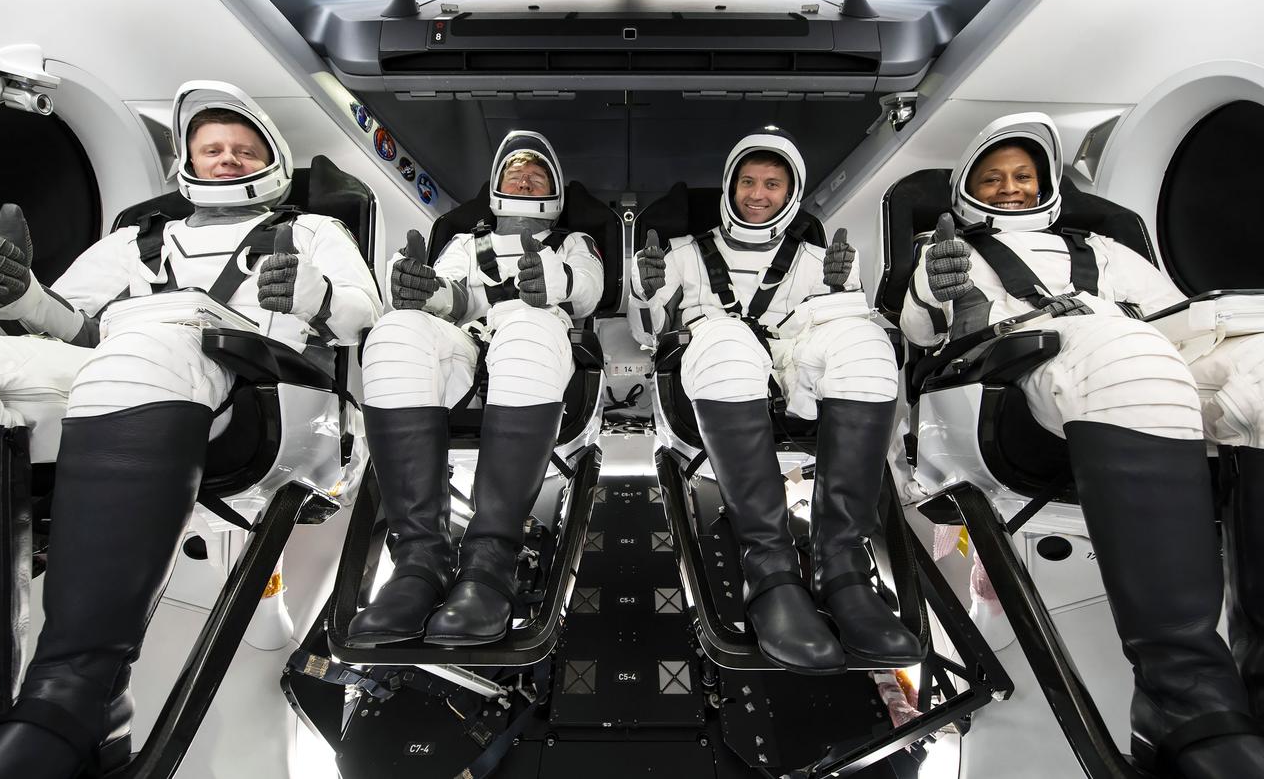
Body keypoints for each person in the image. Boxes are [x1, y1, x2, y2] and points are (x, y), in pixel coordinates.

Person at [0, 81, 381, 779]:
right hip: (128, 370)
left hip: (269, 395)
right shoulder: (132, 241)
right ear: (186, 162)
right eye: (211, 147)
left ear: (272, 158)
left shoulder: (316, 230)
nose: (226, 158)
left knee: (151, 346)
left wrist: (314, 295)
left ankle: (77, 700)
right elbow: (74, 326)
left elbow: (365, 318)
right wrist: (25, 298)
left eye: (242, 148)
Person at [900, 112, 1264, 778]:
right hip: (1003, 391)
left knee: (1259, 373)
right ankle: (1181, 702)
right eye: (993, 177)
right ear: (966, 186)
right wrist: (935, 290)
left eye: (1023, 175)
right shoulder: (948, 248)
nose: (1010, 187)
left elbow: (1176, 319)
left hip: (1124, 360)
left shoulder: (1106, 250)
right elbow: (920, 326)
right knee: (1127, 356)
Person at [629, 127, 921, 675]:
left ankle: (842, 568)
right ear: (729, 187)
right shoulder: (681, 255)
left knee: (866, 344)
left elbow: (838, 328)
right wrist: (650, 294)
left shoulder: (818, 259)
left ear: (791, 194)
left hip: (795, 374)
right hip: (718, 366)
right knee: (727, 338)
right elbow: (649, 333)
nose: (757, 194)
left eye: (772, 184)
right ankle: (769, 569)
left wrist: (845, 296)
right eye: (747, 182)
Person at [349, 130, 603, 648]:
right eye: (514, 172)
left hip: (536, 340)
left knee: (530, 327)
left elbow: (588, 286)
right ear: (495, 185)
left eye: (537, 174)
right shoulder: (467, 242)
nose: (525, 179)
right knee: (394, 331)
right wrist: (427, 288)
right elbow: (455, 300)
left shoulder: (573, 243)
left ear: (554, 193)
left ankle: (490, 567)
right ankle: (419, 564)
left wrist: (553, 282)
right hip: (469, 346)